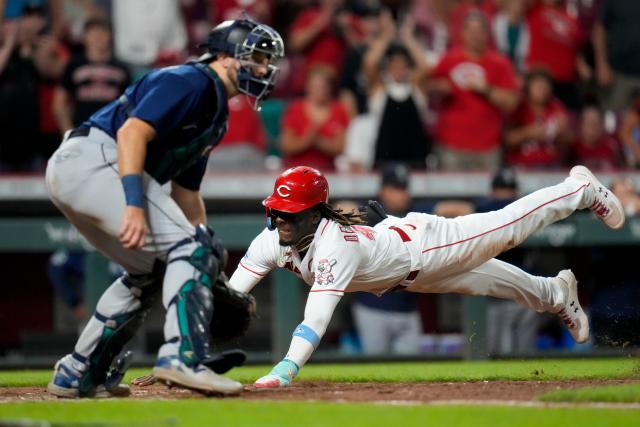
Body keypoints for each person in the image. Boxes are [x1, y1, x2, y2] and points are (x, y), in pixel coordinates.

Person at [44, 18, 284, 398]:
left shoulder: (215, 113)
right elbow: (132, 132)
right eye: (255, 57)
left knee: (151, 272)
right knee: (192, 250)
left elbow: (187, 193)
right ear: (223, 56)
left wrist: (210, 270)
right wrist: (134, 206)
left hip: (86, 168)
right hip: (95, 159)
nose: (263, 68)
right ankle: (182, 358)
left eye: (265, 61)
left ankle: (77, 371)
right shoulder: (190, 80)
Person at [227, 164, 624, 388]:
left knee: (507, 228)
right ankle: (556, 294)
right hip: (409, 275)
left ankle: (579, 190)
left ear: (314, 213)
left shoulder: (334, 246)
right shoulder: (270, 241)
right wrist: (194, 349)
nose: (279, 218)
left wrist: (285, 370)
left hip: (425, 247)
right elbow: (229, 297)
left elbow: (314, 319)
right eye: (277, 209)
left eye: (290, 211)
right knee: (498, 282)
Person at [428, 11, 519, 171]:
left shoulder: (500, 63)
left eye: (479, 31)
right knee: (452, 194)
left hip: (488, 147)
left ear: (487, 34)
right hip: (451, 145)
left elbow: (511, 104)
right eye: (470, 30)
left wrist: (487, 89)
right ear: (462, 33)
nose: (474, 35)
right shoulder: (448, 59)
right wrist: (438, 88)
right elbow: (427, 87)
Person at [351, 163, 422, 355]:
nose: (402, 194)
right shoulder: (368, 212)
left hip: (408, 308)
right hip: (373, 307)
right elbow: (342, 208)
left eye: (404, 188)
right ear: (383, 190)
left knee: (412, 367)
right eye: (396, 189)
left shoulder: (415, 213)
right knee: (374, 364)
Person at [52, 18, 131, 133]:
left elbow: (129, 107)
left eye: (102, 32)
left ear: (110, 36)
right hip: (81, 133)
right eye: (93, 33)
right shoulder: (74, 65)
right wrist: (68, 133)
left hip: (111, 135)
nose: (97, 37)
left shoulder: (122, 68)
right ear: (84, 37)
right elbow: (59, 104)